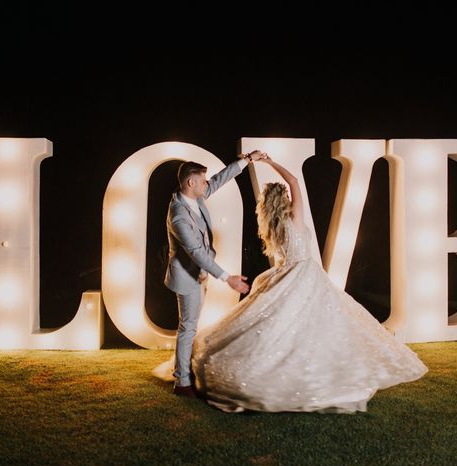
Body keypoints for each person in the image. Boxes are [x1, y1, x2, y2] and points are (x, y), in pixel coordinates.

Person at [190, 153, 429, 413]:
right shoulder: (295, 217)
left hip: (287, 274)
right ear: (283, 200)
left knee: (286, 328)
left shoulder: (273, 226)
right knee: (314, 326)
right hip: (305, 273)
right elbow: (294, 180)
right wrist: (270, 163)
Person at [162, 151, 265, 398]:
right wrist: (227, 278)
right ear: (191, 182)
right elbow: (196, 252)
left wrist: (246, 160)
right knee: (187, 327)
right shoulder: (178, 216)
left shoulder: (194, 197)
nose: (207, 184)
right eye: (203, 180)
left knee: (192, 326)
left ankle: (185, 371)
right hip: (187, 277)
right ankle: (182, 382)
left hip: (200, 275)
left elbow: (220, 179)